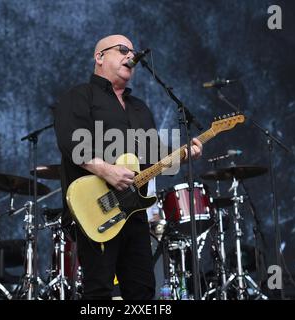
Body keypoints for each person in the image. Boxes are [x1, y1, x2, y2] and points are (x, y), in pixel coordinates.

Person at [52, 34, 202, 300]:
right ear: (99, 57)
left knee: (142, 289)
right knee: (98, 289)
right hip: (96, 209)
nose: (130, 56)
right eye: (122, 50)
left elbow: (154, 156)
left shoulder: (139, 108)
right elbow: (69, 141)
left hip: (133, 213)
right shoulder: (79, 96)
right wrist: (106, 170)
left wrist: (183, 154)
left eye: (132, 52)